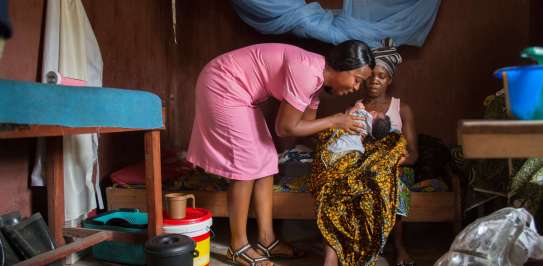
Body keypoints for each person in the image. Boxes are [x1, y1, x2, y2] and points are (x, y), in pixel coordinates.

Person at [186, 40, 375, 266]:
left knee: (266, 158)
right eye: (357, 80)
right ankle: (238, 246)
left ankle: (267, 240)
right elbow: (285, 128)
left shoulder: (316, 85)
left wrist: (342, 138)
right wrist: (336, 120)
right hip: (222, 83)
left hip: (239, 92)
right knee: (247, 163)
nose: (356, 88)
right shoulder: (307, 72)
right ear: (343, 66)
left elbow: (307, 126)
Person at [362, 39, 418, 266]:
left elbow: (414, 153)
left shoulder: (401, 109)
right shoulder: (355, 109)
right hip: (366, 167)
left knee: (392, 184)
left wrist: (394, 162)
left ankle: (398, 246)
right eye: (371, 75)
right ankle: (369, 248)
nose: (375, 80)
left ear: (389, 80)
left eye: (381, 76)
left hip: (398, 167)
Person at [326, 100, 391, 165]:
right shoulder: (366, 132)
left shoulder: (364, 115)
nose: (374, 111)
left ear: (374, 115)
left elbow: (348, 116)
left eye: (377, 113)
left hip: (339, 146)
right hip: (355, 148)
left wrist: (356, 107)